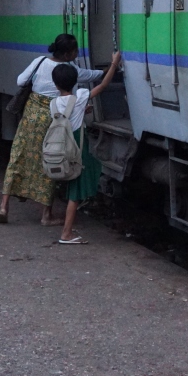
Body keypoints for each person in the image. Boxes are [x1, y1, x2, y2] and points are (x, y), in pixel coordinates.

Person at [0, 34, 107, 225]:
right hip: (51, 117)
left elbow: (20, 81)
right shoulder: (69, 70)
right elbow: (89, 76)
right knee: (50, 161)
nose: (77, 53)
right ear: (67, 54)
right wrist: (107, 71)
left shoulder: (39, 61)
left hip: (30, 115)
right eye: (75, 51)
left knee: (17, 157)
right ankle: (46, 215)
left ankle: (4, 206)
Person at [50, 52, 121, 244]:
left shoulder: (54, 103)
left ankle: (83, 200)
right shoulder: (80, 96)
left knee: (79, 181)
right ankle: (66, 233)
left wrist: (83, 110)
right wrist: (113, 64)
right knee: (77, 188)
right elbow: (103, 85)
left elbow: (66, 118)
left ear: (56, 84)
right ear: (74, 82)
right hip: (78, 146)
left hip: (64, 145)